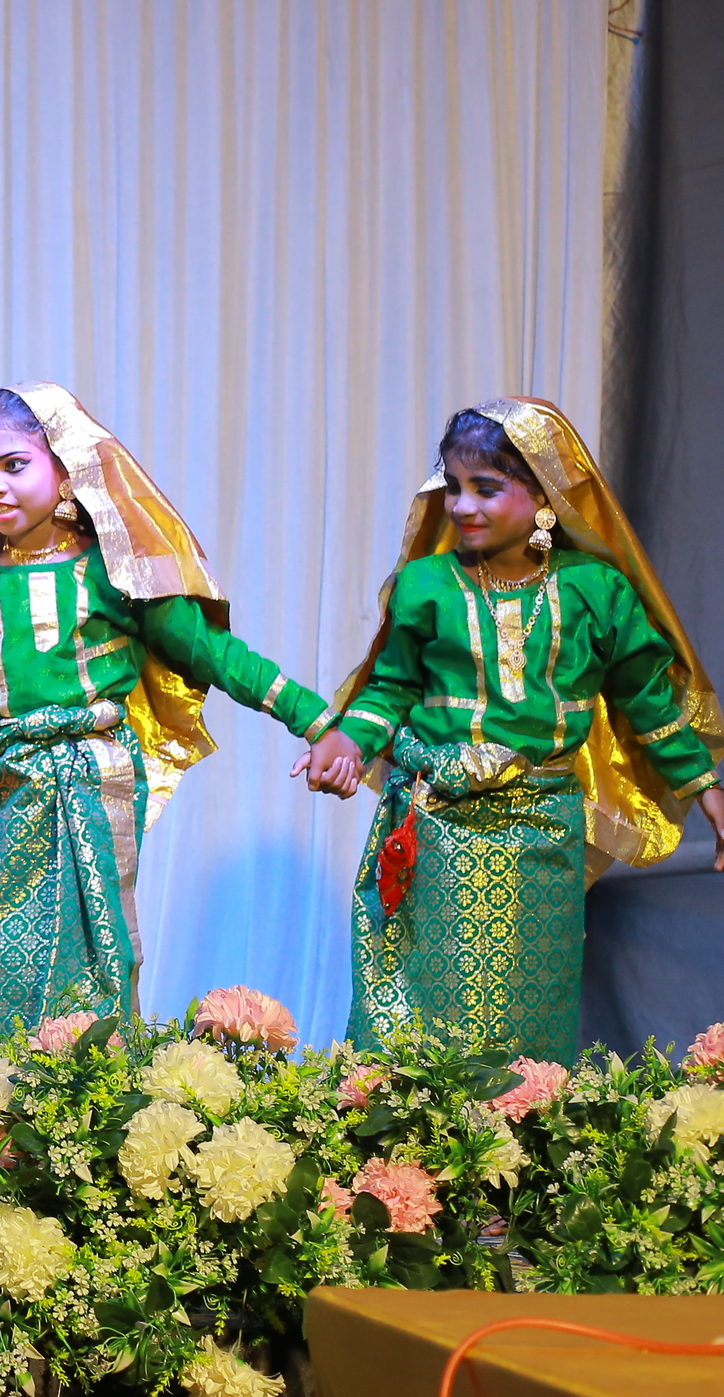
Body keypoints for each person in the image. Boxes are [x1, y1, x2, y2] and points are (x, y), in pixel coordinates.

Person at [0, 385, 326, 1037]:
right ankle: (1, 1099)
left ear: (66, 470)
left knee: (97, 959)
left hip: (93, 779)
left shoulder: (116, 570)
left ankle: (96, 1098)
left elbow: (212, 651)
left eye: (14, 465)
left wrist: (318, 721)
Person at [300, 401, 724, 1062]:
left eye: (486, 488)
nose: (462, 506)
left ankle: (519, 1127)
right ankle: (403, 1128)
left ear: (546, 497)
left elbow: (647, 700)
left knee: (528, 1018)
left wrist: (705, 789)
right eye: (453, 487)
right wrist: (347, 740)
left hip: (542, 831)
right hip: (435, 824)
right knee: (420, 1012)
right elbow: (390, 688)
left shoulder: (596, 591)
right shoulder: (426, 584)